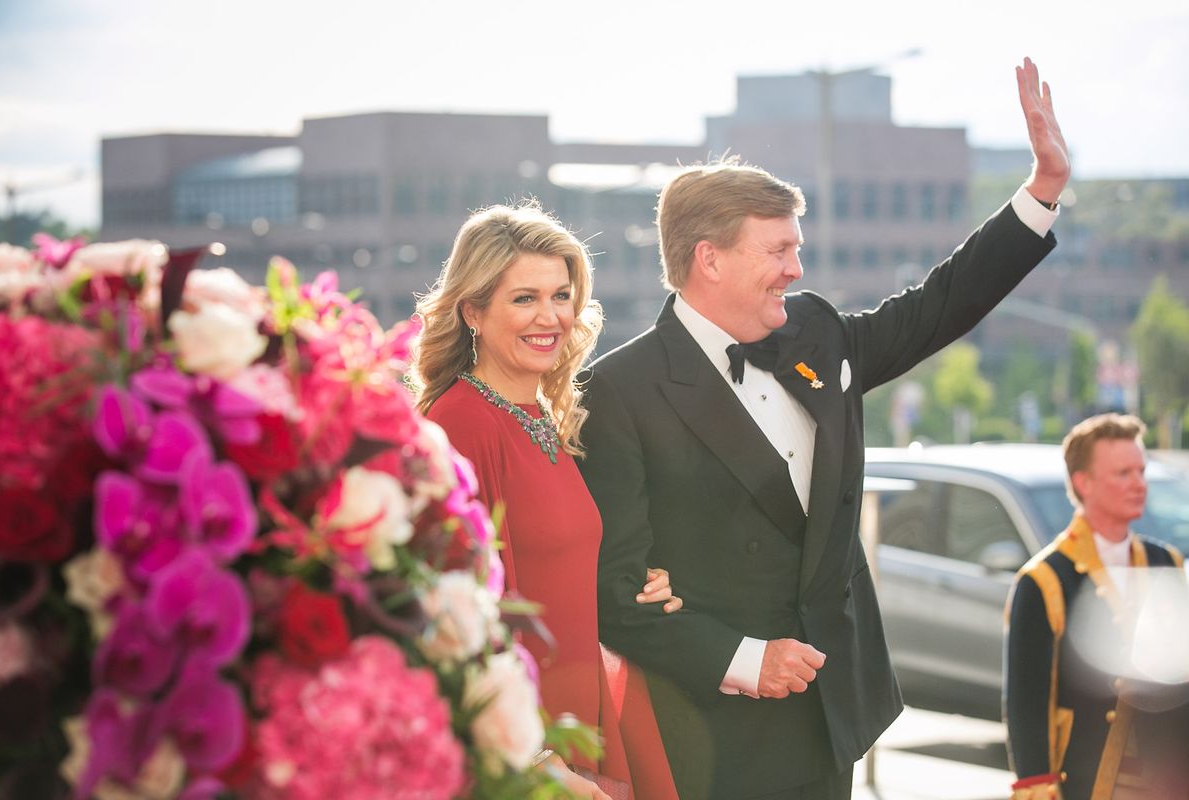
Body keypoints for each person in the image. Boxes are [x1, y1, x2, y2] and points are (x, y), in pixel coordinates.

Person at [576, 58, 1069, 799]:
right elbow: (614, 598)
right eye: (778, 250)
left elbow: (936, 307)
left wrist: (1041, 194)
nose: (795, 269)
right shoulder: (618, 391)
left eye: (796, 247)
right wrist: (748, 660)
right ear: (708, 259)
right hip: (712, 729)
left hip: (834, 708)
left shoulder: (817, 333)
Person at [415, 202, 682, 800]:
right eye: (524, 298)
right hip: (518, 742)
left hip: (574, 713)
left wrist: (638, 582)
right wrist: (532, 758)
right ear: (473, 311)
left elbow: (553, 565)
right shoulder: (459, 424)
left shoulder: (544, 418)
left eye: (561, 295)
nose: (550, 316)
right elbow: (445, 613)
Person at [1004, 413, 1189, 799]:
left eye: (1141, 471)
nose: (1139, 484)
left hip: (1163, 778)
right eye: (1123, 473)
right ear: (1082, 482)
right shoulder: (1045, 579)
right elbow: (1027, 702)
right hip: (1087, 777)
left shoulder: (1165, 562)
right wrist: (1037, 786)